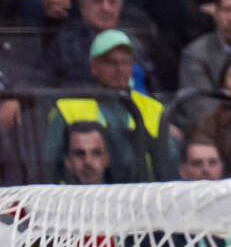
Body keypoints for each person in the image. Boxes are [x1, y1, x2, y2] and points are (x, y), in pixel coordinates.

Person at [45, 29, 166, 182]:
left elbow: (167, 166)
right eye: (111, 62)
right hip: (81, 197)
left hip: (140, 196)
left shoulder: (153, 109)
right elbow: (49, 169)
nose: (119, 69)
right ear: (94, 67)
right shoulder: (67, 107)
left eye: (125, 62)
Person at [58, 118, 112, 184]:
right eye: (80, 154)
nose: (88, 161)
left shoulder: (123, 193)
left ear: (107, 159)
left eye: (95, 153)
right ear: (67, 161)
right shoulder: (51, 194)